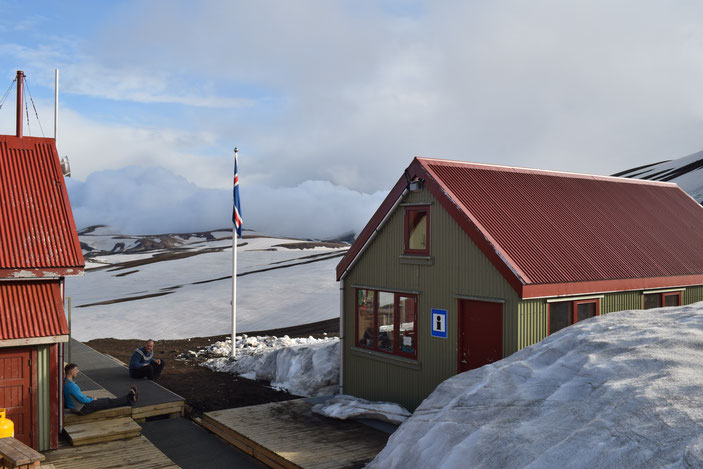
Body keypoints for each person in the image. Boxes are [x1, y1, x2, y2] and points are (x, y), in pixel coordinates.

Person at [64, 363, 137, 415]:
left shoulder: (65, 383)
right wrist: (92, 399)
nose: (77, 371)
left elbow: (78, 397)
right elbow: (82, 399)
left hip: (78, 407)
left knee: (104, 400)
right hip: (82, 408)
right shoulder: (71, 386)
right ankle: (129, 398)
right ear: (71, 372)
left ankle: (127, 400)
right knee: (108, 402)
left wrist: (90, 398)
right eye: (76, 370)